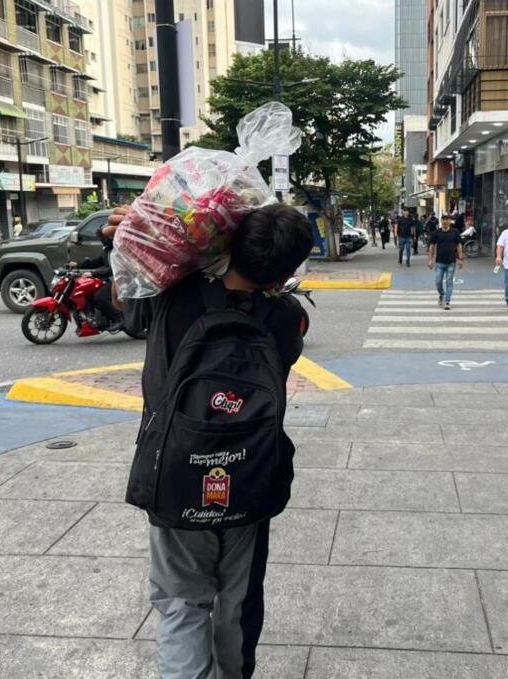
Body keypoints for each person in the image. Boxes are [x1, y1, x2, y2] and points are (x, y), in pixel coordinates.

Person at [109, 203, 312, 679]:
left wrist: (130, 241)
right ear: (285, 272)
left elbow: (126, 300)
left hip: (174, 476)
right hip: (248, 477)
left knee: (181, 603)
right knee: (237, 606)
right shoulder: (286, 318)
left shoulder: (173, 296)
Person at [70, 229, 122, 331]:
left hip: (119, 279)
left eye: (104, 238)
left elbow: (113, 270)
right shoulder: (107, 249)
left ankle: (118, 319)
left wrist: (94, 273)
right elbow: (98, 262)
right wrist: (78, 265)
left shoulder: (118, 250)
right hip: (109, 278)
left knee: (100, 297)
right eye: (102, 238)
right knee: (91, 293)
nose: (103, 240)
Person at [429, 213, 464, 310]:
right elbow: (431, 246)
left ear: (450, 221)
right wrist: (430, 260)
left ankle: (447, 301)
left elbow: (459, 245)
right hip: (439, 262)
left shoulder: (455, 232)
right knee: (438, 282)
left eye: (447, 219)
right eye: (443, 219)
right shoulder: (436, 233)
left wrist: (460, 258)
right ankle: (442, 294)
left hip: (451, 262)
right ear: (441, 221)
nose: (445, 221)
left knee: (449, 281)